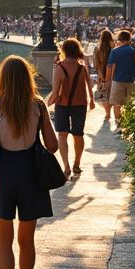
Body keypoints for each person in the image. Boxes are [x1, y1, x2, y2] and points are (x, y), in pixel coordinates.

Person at [0, 56, 59, 269]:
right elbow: (53, 146)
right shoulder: (37, 104)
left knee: (3, 239)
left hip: (4, 172)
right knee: (27, 240)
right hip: (31, 175)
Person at [47, 38, 94, 179]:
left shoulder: (59, 68)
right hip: (80, 105)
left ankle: (66, 166)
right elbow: (89, 85)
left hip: (63, 105)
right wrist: (91, 99)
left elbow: (55, 93)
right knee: (78, 134)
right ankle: (76, 164)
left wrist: (45, 104)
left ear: (64, 51)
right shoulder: (82, 67)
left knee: (62, 134)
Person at [106, 29, 135, 125]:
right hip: (131, 80)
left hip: (117, 80)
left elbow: (109, 67)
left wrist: (107, 81)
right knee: (130, 103)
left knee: (117, 104)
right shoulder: (133, 51)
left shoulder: (115, 51)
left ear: (119, 39)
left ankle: (118, 123)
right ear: (129, 39)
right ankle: (129, 123)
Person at [93, 29, 115, 122]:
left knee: (104, 94)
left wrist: (100, 74)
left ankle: (107, 113)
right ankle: (115, 113)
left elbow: (96, 63)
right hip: (114, 72)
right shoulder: (114, 47)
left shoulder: (98, 48)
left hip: (102, 72)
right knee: (113, 92)